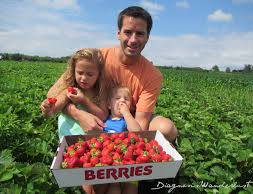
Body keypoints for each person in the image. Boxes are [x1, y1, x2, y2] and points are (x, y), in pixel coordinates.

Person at [47, 6, 178, 194]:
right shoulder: (99, 58)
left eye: (140, 34)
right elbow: (54, 93)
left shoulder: (152, 75)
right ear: (118, 33)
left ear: (147, 37)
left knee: (166, 129)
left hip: (130, 120)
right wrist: (78, 113)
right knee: (97, 187)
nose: (133, 40)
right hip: (98, 117)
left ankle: (132, 178)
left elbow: (139, 124)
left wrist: (126, 158)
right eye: (128, 32)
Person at [40, 48, 108, 139]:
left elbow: (103, 116)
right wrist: (47, 109)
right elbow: (53, 110)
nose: (83, 78)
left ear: (99, 75)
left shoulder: (99, 92)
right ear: (73, 71)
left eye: (90, 74)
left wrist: (84, 100)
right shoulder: (70, 91)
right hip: (68, 139)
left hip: (91, 140)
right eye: (80, 73)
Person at [94, 86, 141, 194]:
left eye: (126, 99)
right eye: (117, 98)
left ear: (130, 106)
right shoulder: (105, 120)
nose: (122, 101)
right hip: (107, 160)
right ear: (109, 105)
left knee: (131, 187)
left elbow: (137, 131)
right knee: (112, 187)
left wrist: (126, 113)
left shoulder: (127, 120)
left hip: (127, 160)